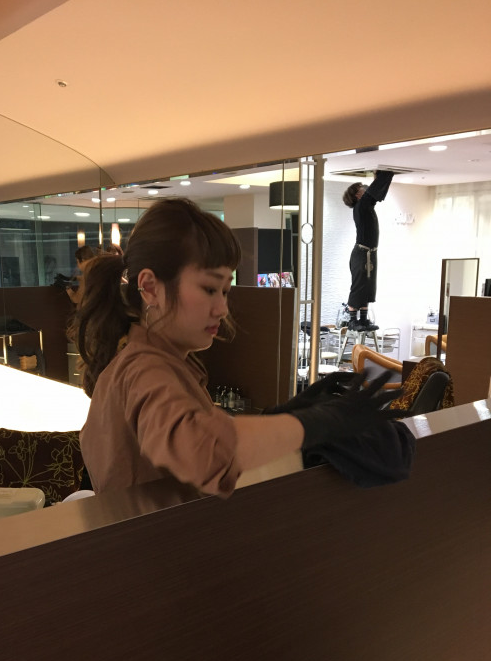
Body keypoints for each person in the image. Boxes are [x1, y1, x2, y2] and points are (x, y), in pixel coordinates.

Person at [73, 198, 406, 497]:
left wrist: (284, 417)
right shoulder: (146, 369)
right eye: (209, 289)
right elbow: (203, 453)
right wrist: (316, 424)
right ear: (149, 288)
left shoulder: (147, 361)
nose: (222, 309)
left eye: (225, 292)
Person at [342, 169, 395, 332]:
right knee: (359, 285)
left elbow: (375, 195)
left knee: (368, 285)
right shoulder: (360, 206)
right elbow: (373, 194)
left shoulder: (366, 207)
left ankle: (363, 320)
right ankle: (353, 321)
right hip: (361, 253)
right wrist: (382, 176)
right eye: (361, 189)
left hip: (370, 253)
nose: (364, 190)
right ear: (357, 195)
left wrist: (381, 178)